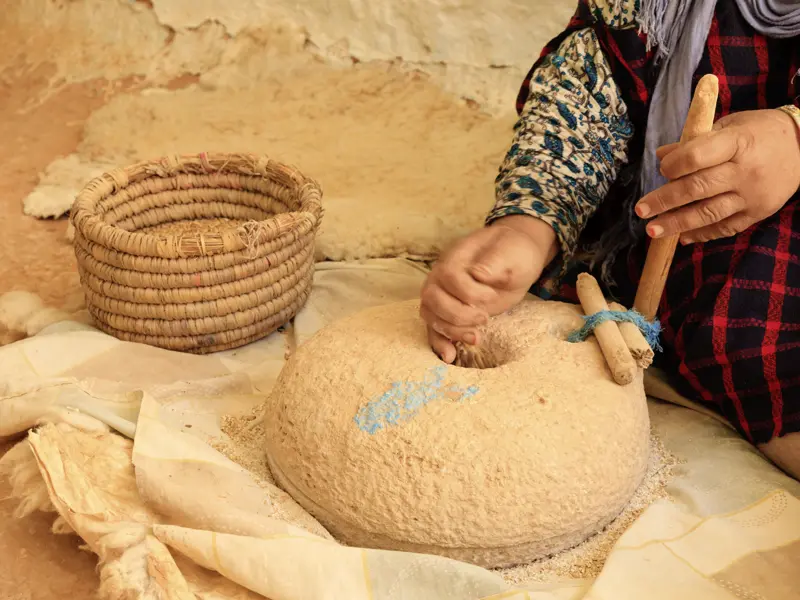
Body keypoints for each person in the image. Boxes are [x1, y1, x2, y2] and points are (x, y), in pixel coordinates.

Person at [419, 0, 800, 479]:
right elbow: (585, 91)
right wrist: (529, 224)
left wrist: (794, 135)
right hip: (690, 220)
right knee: (742, 334)